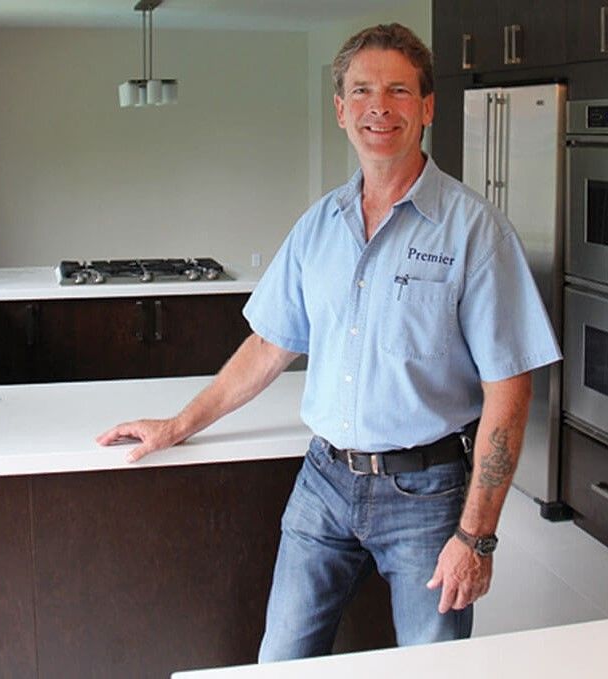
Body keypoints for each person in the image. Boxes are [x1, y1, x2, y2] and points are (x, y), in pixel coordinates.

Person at [97, 22, 560, 662]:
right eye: (362, 91)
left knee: (436, 670)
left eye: (399, 91)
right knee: (281, 660)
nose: (380, 107)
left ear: (426, 107)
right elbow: (268, 347)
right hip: (323, 484)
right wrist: (177, 425)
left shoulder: (475, 232)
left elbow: (509, 388)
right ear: (341, 110)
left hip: (427, 497)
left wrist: (476, 537)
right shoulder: (319, 225)